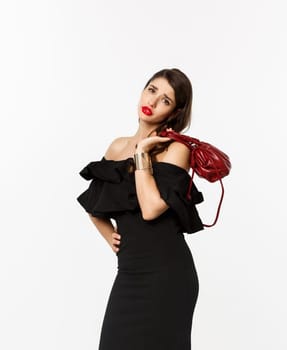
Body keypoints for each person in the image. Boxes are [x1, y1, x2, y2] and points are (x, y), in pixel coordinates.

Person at [76, 68, 206, 350]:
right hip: (129, 273)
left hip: (168, 276)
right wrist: (108, 235)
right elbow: (94, 204)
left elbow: (150, 209)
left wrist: (142, 155)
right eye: (152, 90)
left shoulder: (176, 150)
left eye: (166, 100)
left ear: (174, 113)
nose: (155, 100)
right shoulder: (116, 147)